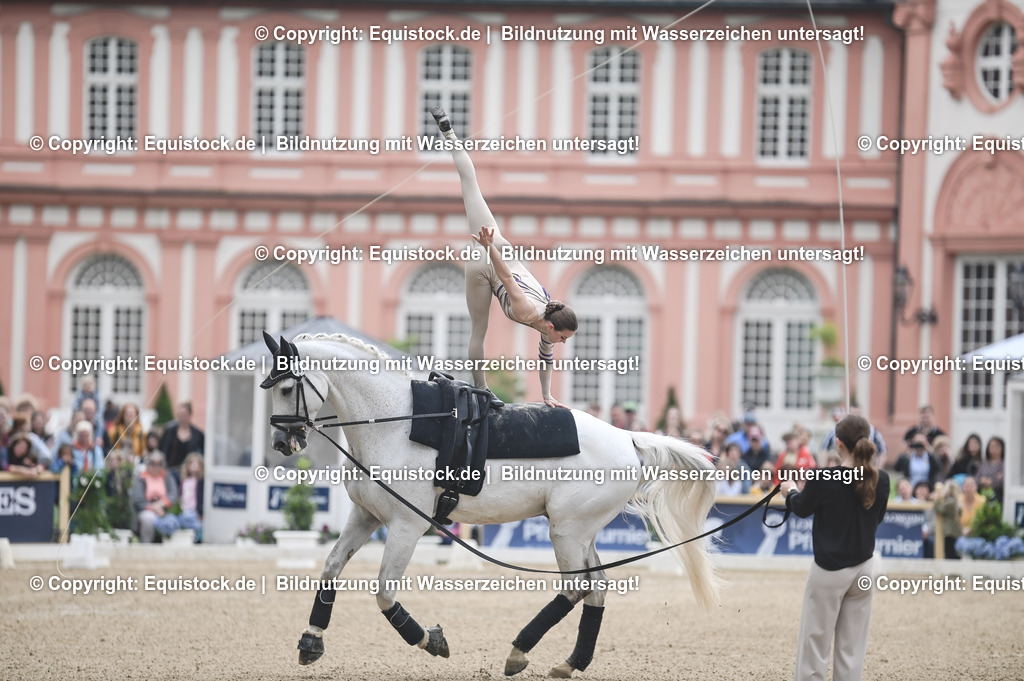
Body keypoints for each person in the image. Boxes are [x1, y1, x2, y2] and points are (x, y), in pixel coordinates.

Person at [432, 105, 577, 407]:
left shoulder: (550, 326)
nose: (562, 343)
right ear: (552, 327)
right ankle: (482, 389)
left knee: (471, 188)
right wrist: (488, 248)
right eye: (564, 337)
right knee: (478, 331)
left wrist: (547, 395)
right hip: (489, 262)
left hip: (500, 246)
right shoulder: (529, 312)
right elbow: (507, 278)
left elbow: (545, 360)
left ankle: (448, 132)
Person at [781, 414, 890, 681]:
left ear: (838, 444)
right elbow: (877, 518)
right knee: (852, 648)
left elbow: (802, 509)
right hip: (864, 567)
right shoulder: (882, 479)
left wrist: (790, 491)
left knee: (815, 642)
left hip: (829, 570)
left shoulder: (823, 478)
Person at [131, 451, 180, 543]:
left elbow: (173, 494)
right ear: (148, 464)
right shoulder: (141, 478)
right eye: (152, 463)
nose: (156, 466)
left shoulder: (167, 477)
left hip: (164, 509)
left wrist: (161, 505)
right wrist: (154, 507)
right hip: (146, 509)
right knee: (148, 519)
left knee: (172, 520)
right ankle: (146, 546)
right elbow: (138, 500)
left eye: (159, 464)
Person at [158, 402, 205, 476]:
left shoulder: (198, 434)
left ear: (190, 415)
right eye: (179, 415)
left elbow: (202, 454)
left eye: (184, 415)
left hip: (189, 473)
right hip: (169, 471)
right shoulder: (169, 431)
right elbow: (161, 449)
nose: (182, 417)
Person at [177, 452, 205, 541]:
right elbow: (181, 495)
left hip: (195, 511)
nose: (194, 466)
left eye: (197, 464)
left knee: (198, 527)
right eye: (192, 463)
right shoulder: (184, 481)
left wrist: (200, 512)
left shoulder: (201, 482)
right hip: (184, 508)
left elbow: (201, 497)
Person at [933, 479, 961, 560]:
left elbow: (940, 509)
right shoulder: (956, 502)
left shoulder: (950, 503)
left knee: (950, 553)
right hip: (953, 531)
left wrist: (937, 499)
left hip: (950, 532)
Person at [976, 436, 1005, 504]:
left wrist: (991, 482)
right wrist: (982, 481)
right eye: (992, 446)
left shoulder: (1004, 465)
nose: (994, 448)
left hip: (998, 498)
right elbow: (977, 478)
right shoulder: (984, 464)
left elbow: (1001, 480)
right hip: (982, 497)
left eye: (997, 446)